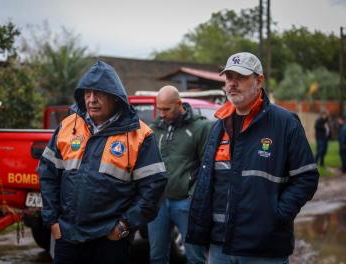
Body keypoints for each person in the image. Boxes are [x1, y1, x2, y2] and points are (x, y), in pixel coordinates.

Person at [186, 52, 319, 264]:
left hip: (263, 248)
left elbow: (306, 178)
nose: (232, 84)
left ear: (259, 81)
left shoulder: (285, 123)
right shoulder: (219, 125)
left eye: (240, 77)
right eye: (229, 78)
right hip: (220, 245)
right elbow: (209, 178)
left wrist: (276, 216)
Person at [39, 60, 167, 264]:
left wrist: (124, 227)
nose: (91, 100)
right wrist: (52, 221)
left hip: (111, 241)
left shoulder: (140, 134)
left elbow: (154, 186)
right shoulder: (67, 126)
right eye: (87, 93)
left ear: (115, 97)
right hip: (68, 237)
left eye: (99, 93)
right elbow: (47, 174)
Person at [147, 85, 211, 264]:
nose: (161, 113)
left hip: (185, 202)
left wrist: (193, 196)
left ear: (179, 104)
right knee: (157, 257)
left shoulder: (201, 127)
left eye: (166, 109)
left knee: (195, 257)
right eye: (159, 108)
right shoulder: (154, 128)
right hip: (158, 203)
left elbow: (208, 166)